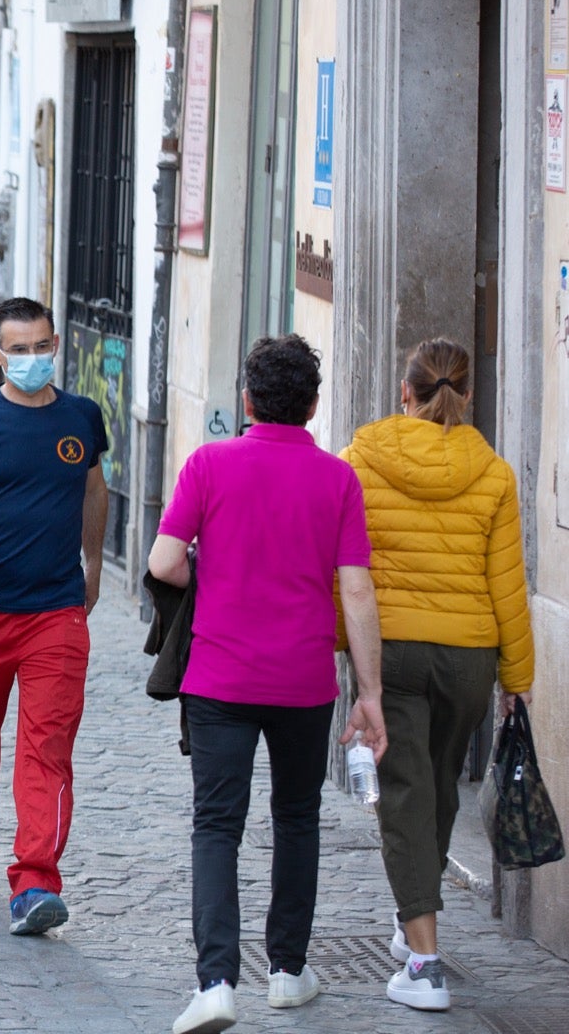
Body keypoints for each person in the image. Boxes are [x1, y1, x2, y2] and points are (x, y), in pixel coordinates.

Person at [147, 333, 388, 1034]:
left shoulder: (210, 464)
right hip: (304, 679)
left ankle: (216, 982)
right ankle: (287, 971)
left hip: (219, 674)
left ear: (247, 400)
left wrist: (213, 579)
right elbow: (358, 591)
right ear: (313, 406)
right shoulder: (338, 480)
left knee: (217, 825)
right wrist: (368, 692)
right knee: (297, 818)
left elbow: (164, 563)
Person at [340, 338, 533, 1014]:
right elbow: (508, 581)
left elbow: (345, 566)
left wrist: (344, 651)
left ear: (405, 391)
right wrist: (518, 675)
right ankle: (413, 919)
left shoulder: (362, 459)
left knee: (404, 793)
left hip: (390, 651)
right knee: (439, 785)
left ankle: (424, 963)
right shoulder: (494, 471)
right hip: (470, 656)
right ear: (468, 395)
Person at [0, 296, 107, 936]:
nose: (33, 359)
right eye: (20, 349)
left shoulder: (83, 417)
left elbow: (93, 489)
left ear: (55, 345)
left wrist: (92, 566)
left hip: (56, 613)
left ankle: (34, 882)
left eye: (43, 347)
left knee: (47, 748)